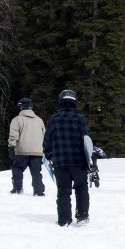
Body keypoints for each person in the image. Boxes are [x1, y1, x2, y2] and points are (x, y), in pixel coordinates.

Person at [43, 89, 91, 227]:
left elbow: (47, 141)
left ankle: (64, 219)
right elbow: (86, 140)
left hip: (60, 162)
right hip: (78, 161)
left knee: (63, 191)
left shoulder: (53, 119)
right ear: (74, 101)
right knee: (81, 188)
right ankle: (82, 216)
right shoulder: (80, 119)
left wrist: (49, 154)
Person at [7, 97, 46, 196]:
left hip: (22, 151)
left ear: (21, 107)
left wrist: (11, 146)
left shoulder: (17, 120)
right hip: (37, 151)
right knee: (36, 172)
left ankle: (17, 189)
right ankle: (39, 191)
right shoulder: (39, 120)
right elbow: (44, 135)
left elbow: (13, 135)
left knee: (17, 169)